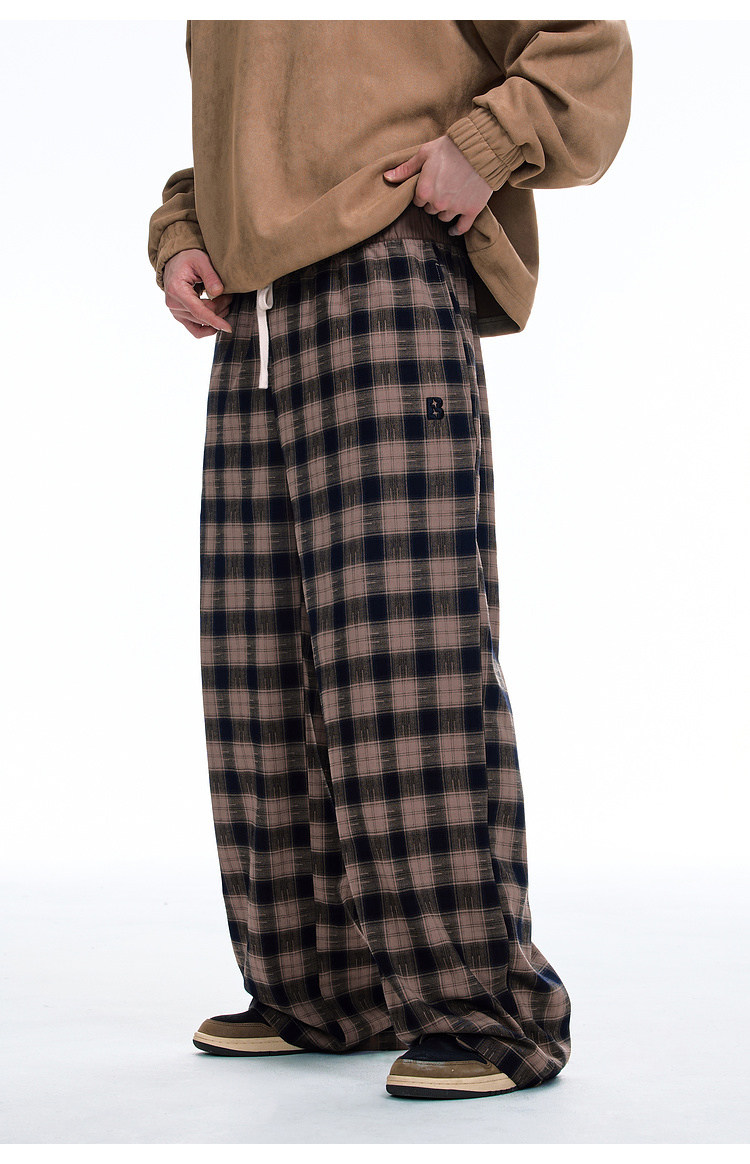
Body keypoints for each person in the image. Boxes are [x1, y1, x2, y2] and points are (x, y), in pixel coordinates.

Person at [148, 19, 632, 1101]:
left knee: (401, 664)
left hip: (384, 274)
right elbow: (250, 136)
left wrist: (484, 147)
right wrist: (183, 229)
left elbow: (586, 46)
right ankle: (326, 988)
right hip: (255, 315)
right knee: (260, 667)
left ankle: (485, 1013)